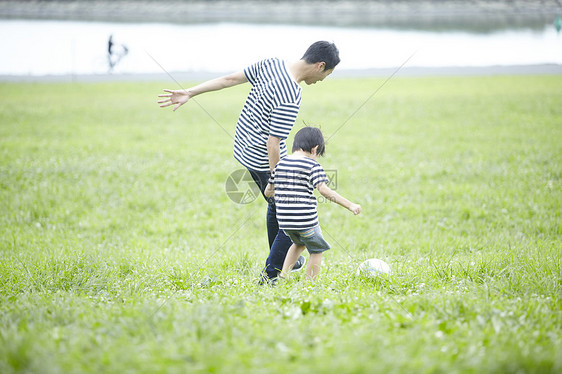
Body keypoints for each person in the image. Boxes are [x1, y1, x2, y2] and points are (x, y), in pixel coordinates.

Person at [158, 41, 341, 282]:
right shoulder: (291, 95)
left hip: (244, 150)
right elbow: (273, 143)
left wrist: (190, 92)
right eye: (327, 74)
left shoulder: (271, 64)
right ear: (320, 66)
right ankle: (271, 275)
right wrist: (275, 181)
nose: (323, 79)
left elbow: (229, 80)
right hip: (265, 159)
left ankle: (289, 260)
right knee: (294, 215)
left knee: (276, 207)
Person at [264, 126, 361, 281]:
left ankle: (283, 276)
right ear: (315, 149)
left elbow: (268, 191)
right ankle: (311, 283)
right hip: (305, 221)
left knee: (298, 244)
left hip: (285, 223)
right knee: (317, 249)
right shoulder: (312, 166)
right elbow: (324, 190)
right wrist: (350, 205)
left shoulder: (280, 165)